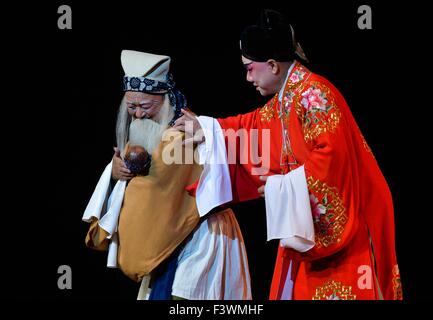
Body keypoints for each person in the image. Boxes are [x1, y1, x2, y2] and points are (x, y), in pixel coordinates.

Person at [173, 9, 402, 300]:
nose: (247, 78)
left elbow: (332, 159)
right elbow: (252, 128)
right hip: (309, 221)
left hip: (354, 211)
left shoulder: (313, 95)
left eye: (249, 68)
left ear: (272, 65)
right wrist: (207, 128)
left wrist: (281, 188)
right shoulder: (288, 98)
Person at [82, 50, 251, 300]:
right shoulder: (149, 132)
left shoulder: (184, 133)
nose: (138, 114)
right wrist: (115, 173)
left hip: (202, 238)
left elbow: (157, 186)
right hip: (167, 239)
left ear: (165, 100)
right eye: (131, 107)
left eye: (145, 106)